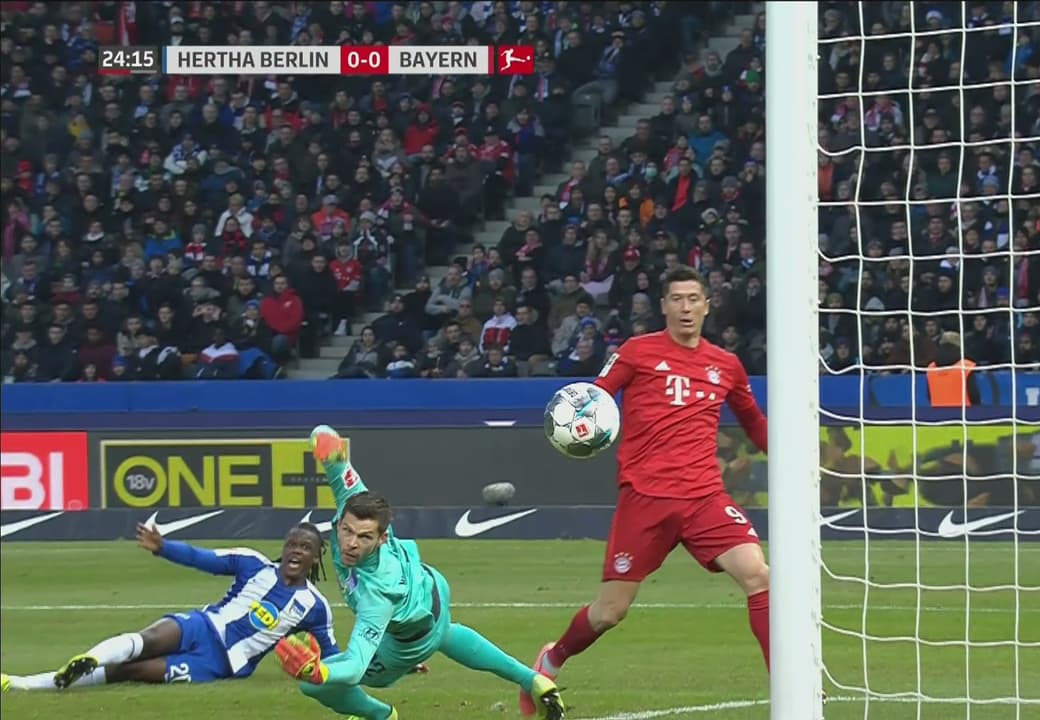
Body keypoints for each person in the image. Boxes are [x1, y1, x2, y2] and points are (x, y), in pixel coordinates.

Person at [517, 265, 771, 716]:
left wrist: (792, 458)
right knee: (609, 612)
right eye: (677, 299)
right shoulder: (637, 352)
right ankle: (551, 659)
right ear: (664, 306)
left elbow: (753, 420)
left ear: (707, 306)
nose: (686, 307)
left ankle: (790, 683)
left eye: (694, 298)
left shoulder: (726, 365)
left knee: (758, 575)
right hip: (645, 498)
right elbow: (596, 398)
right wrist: (580, 429)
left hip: (705, 498)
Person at [275, 425, 566, 720]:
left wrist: (318, 671)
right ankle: (533, 680)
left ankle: (381, 716)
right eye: (347, 531)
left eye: (364, 537)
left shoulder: (377, 595)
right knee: (445, 632)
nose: (351, 543)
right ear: (340, 521)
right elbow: (332, 449)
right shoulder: (355, 503)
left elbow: (354, 666)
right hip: (431, 587)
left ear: (382, 538)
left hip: (411, 640)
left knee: (316, 686)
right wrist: (325, 441)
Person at [1, 523, 336, 692]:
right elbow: (202, 558)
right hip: (202, 625)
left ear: (316, 556)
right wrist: (163, 547)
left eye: (305, 547)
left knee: (133, 671)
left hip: (218, 664)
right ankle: (80, 662)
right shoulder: (253, 563)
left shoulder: (314, 606)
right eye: (291, 543)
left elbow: (334, 657)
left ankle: (41, 683)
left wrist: (318, 671)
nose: (296, 550)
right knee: (147, 639)